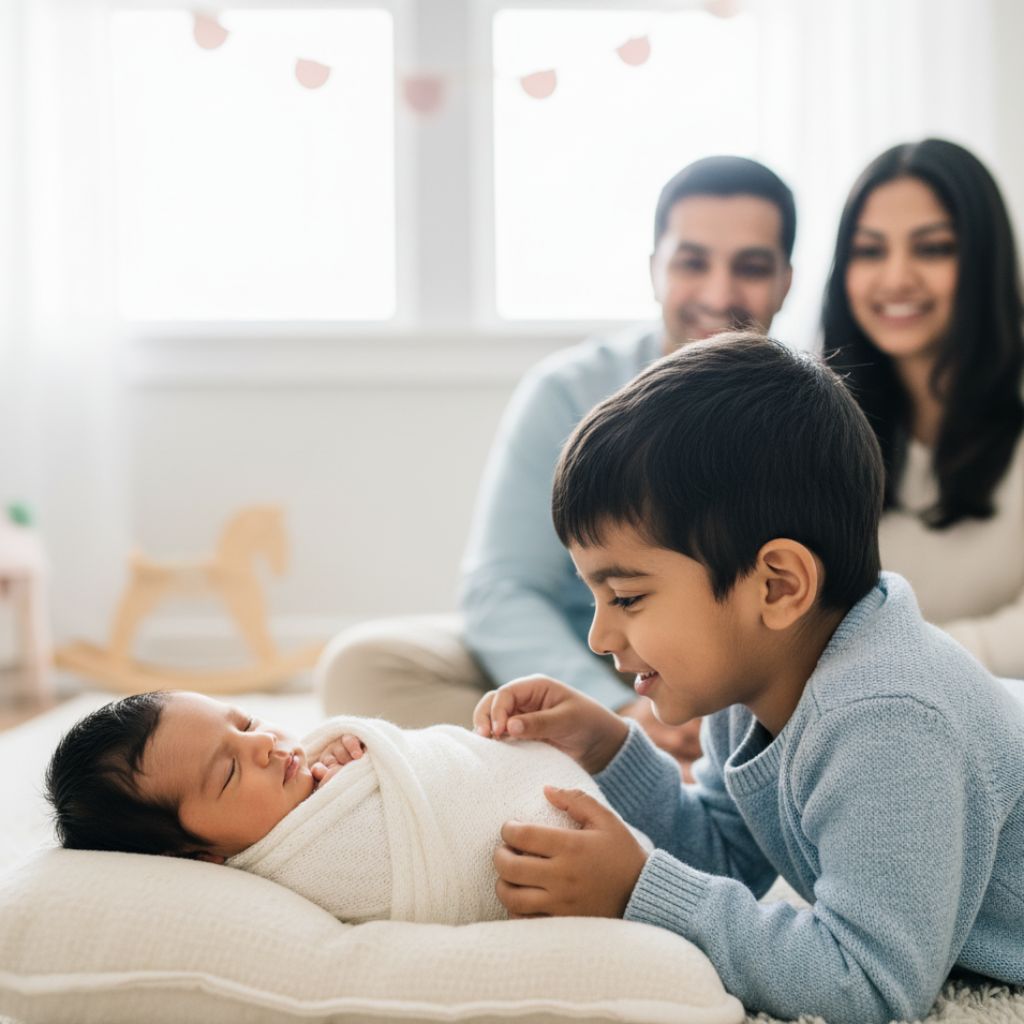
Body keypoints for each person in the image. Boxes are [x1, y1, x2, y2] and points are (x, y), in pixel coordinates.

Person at [473, 333, 1024, 1024]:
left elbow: (868, 985)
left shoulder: (888, 719)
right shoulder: (759, 677)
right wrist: (612, 749)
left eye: (628, 597)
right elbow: (730, 856)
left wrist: (639, 889)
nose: (598, 637)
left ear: (777, 586)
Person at [317, 156, 796, 775]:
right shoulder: (569, 393)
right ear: (655, 271)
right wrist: (618, 711)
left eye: (751, 268)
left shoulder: (806, 415)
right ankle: (621, 776)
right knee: (366, 664)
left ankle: (580, 788)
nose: (719, 294)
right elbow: (503, 588)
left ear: (786, 280)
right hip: (587, 661)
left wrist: (714, 701)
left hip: (736, 691)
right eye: (692, 262)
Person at [44, 689, 634, 925]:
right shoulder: (295, 871)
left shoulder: (315, 774)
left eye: (246, 722)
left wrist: (360, 759)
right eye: (227, 771)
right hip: (573, 848)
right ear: (198, 856)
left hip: (564, 784)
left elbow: (422, 764)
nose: (263, 745)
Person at [823, 138, 1024, 677]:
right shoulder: (817, 416)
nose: (895, 279)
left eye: (932, 248)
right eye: (869, 251)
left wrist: (880, 663)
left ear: (985, 260)